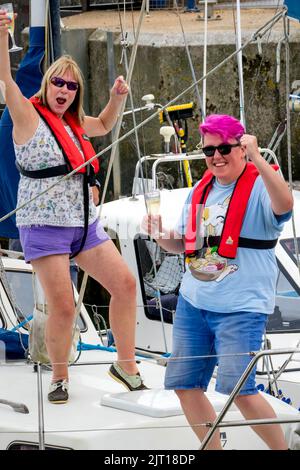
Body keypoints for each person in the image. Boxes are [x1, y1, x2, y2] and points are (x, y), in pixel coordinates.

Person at [0, 9, 147, 404]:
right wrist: (2, 36)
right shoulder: (27, 116)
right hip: (44, 228)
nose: (63, 90)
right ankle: (59, 377)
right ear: (47, 86)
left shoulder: (76, 123)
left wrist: (117, 99)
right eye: (57, 83)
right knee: (64, 306)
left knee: (126, 284)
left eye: (70, 85)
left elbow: (103, 123)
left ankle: (126, 364)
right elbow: (7, 80)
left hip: (84, 225)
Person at [142, 114, 293, 450]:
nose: (217, 156)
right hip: (194, 303)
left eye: (225, 148)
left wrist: (260, 159)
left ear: (242, 148)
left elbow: (285, 204)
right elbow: (183, 243)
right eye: (209, 151)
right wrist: (159, 234)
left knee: (240, 389)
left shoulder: (259, 186)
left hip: (241, 308)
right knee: (184, 384)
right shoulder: (201, 189)